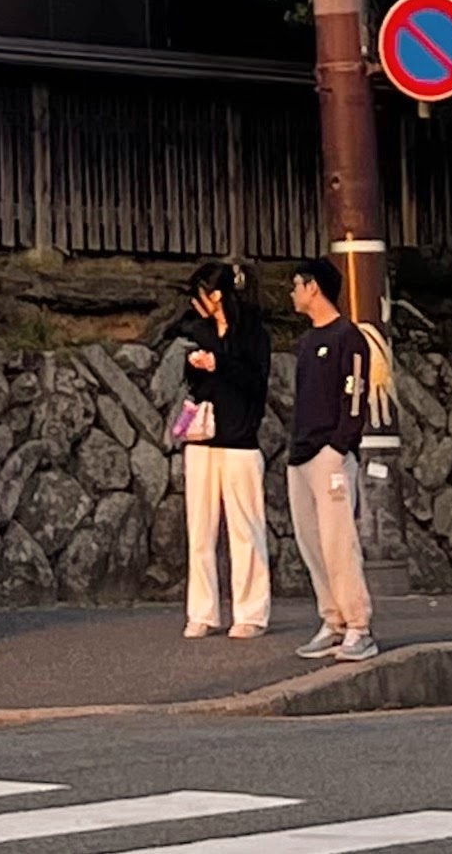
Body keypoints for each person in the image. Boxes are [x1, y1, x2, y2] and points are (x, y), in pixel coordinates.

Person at [155, 260, 271, 638]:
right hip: (202, 439)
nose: (196, 303)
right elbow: (194, 385)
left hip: (240, 440)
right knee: (200, 530)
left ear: (216, 295)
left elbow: (255, 382)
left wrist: (218, 363)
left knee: (245, 530)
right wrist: (198, 366)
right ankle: (201, 611)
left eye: (200, 295)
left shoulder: (251, 332)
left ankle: (250, 612)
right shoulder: (198, 329)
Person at [285, 259, 376, 665]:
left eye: (296, 285)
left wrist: (339, 446)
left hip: (330, 454)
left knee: (339, 542)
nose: (292, 293)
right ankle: (332, 618)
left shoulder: (348, 337)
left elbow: (355, 396)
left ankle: (358, 624)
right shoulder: (306, 342)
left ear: (314, 287)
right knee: (312, 542)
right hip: (301, 454)